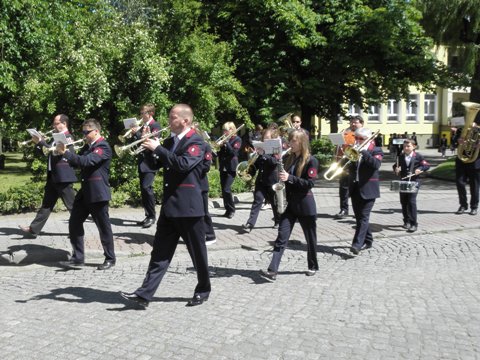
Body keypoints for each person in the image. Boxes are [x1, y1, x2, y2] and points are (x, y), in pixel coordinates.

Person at [121, 104, 211, 308]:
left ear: (185, 121)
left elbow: (182, 165)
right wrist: (144, 145)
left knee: (197, 253)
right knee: (159, 254)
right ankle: (144, 295)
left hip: (189, 208)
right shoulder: (170, 141)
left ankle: (203, 289)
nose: (168, 121)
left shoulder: (196, 142)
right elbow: (153, 166)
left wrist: (158, 148)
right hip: (170, 207)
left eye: (172, 118)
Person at [55, 118, 116, 270]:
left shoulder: (103, 146)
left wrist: (67, 154)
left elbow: (87, 162)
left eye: (86, 132)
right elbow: (77, 161)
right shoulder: (88, 147)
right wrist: (65, 152)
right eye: (83, 132)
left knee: (103, 227)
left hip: (98, 193)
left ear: (96, 131)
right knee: (74, 223)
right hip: (85, 193)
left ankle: (110, 258)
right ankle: (78, 257)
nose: (84, 135)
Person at [259, 130, 319, 281]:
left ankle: (313, 265)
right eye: (290, 141)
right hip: (290, 205)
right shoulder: (289, 158)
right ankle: (272, 269)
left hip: (305, 204)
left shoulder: (312, 161)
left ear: (301, 143)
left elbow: (309, 184)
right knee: (281, 237)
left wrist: (289, 177)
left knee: (310, 238)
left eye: (293, 141)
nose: (289, 144)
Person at [19, 114, 77, 238]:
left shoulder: (68, 137)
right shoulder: (55, 137)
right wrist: (39, 143)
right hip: (53, 175)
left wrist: (41, 142)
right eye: (54, 123)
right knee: (46, 205)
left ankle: (77, 231)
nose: (53, 125)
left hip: (63, 177)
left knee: (72, 206)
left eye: (56, 123)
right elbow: (47, 152)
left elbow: (65, 154)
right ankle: (33, 229)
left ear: (64, 124)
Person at [348, 128, 383, 255]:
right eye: (356, 138)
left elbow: (376, 165)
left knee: (363, 217)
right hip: (355, 188)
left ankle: (357, 244)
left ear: (369, 139)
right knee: (359, 218)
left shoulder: (376, 150)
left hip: (369, 188)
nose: (357, 141)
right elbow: (351, 169)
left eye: (360, 139)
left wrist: (363, 151)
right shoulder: (355, 150)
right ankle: (368, 240)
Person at [241, 128, 281, 233]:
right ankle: (250, 223)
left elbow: (274, 162)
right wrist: (252, 164)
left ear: (273, 139)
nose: (265, 140)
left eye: (267, 138)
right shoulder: (260, 149)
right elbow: (257, 166)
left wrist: (263, 155)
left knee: (274, 203)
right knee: (257, 201)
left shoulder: (276, 148)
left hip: (272, 180)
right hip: (261, 180)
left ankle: (278, 220)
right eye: (264, 138)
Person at [131, 104, 161, 228]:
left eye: (143, 113)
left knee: (146, 188)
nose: (141, 115)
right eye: (141, 113)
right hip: (142, 162)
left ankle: (152, 216)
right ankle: (148, 214)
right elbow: (136, 143)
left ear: (150, 113)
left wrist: (137, 133)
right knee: (143, 190)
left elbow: (150, 142)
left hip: (150, 162)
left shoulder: (155, 125)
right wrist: (133, 134)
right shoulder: (142, 126)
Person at [392, 139, 430, 232]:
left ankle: (414, 223)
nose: (406, 148)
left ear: (414, 146)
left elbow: (427, 165)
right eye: (404, 146)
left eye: (408, 146)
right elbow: (395, 166)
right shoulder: (400, 156)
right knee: (403, 201)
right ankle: (406, 221)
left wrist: (420, 169)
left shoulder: (418, 156)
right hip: (403, 181)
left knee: (411, 201)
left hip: (414, 181)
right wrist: (396, 169)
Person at [334, 115, 364, 219]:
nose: (353, 124)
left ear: (361, 123)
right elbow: (338, 147)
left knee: (358, 188)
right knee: (343, 186)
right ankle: (344, 209)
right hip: (345, 161)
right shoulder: (346, 133)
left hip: (359, 163)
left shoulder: (365, 134)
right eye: (351, 122)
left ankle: (359, 210)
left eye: (355, 122)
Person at [192, 123, 216, 245]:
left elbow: (206, 166)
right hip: (190, 185)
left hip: (200, 183)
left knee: (204, 211)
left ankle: (210, 235)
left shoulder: (205, 146)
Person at [455, 123, 480, 216]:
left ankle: (474, 207)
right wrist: (459, 141)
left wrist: (477, 146)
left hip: (475, 162)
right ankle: (463, 205)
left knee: (474, 186)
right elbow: (454, 141)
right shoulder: (462, 130)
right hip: (461, 161)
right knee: (460, 183)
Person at [218, 121, 242, 219]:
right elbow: (221, 154)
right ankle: (227, 209)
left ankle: (232, 209)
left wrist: (226, 143)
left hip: (231, 167)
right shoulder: (224, 139)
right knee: (223, 190)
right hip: (223, 166)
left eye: (225, 130)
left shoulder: (237, 139)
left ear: (231, 130)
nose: (223, 132)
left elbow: (233, 153)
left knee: (226, 189)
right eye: (223, 130)